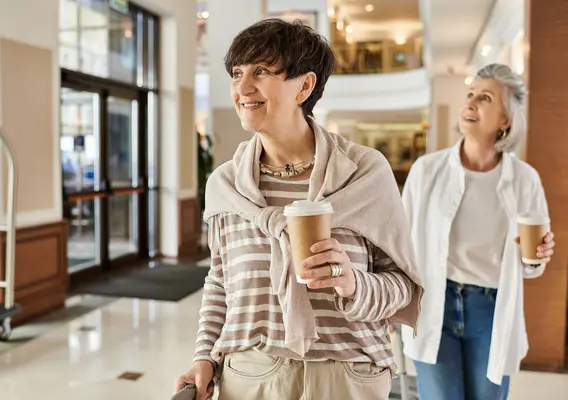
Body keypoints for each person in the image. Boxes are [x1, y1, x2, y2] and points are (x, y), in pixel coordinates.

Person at [175, 19, 423, 400]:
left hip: (348, 376)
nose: (242, 89)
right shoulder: (225, 186)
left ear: (304, 86)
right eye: (237, 73)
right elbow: (220, 283)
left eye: (261, 72)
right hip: (250, 376)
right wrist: (204, 355)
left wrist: (352, 283)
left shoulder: (363, 172)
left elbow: (402, 285)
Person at [400, 63, 556, 400]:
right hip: (434, 306)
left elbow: (531, 263)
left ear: (505, 119)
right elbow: (401, 244)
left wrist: (538, 256)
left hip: (491, 309)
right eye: (469, 95)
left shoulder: (524, 179)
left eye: (484, 98)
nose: (470, 103)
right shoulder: (427, 171)